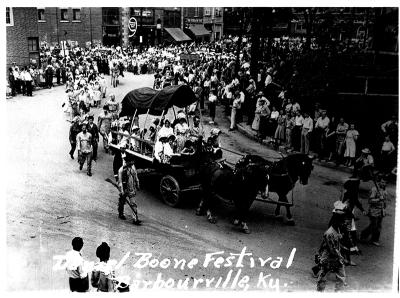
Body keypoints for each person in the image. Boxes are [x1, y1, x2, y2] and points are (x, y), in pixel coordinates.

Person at [315, 210, 346, 292]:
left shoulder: (337, 229)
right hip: (328, 258)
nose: (344, 223)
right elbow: (332, 249)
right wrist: (341, 257)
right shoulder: (330, 233)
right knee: (323, 278)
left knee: (341, 277)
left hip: (335, 257)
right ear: (337, 221)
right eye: (342, 221)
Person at [340, 179, 365, 265]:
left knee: (347, 237)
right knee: (346, 237)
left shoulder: (348, 194)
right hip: (346, 218)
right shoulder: (349, 196)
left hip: (347, 217)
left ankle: (349, 255)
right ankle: (348, 256)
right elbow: (348, 207)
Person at [360, 178, 388, 246]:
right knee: (374, 225)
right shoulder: (374, 189)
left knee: (378, 226)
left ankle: (374, 239)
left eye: (385, 182)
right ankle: (363, 236)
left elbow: (385, 202)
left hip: (381, 211)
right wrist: (378, 199)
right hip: (373, 210)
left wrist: (384, 208)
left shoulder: (385, 191)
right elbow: (370, 201)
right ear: (379, 182)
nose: (383, 184)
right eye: (382, 182)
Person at [118, 154, 141, 224]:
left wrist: (137, 185)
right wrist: (122, 190)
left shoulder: (133, 167)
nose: (133, 162)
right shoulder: (121, 170)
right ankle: (121, 213)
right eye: (131, 161)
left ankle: (135, 218)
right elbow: (120, 182)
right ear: (128, 162)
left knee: (133, 203)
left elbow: (136, 177)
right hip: (124, 189)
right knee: (122, 202)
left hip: (131, 188)